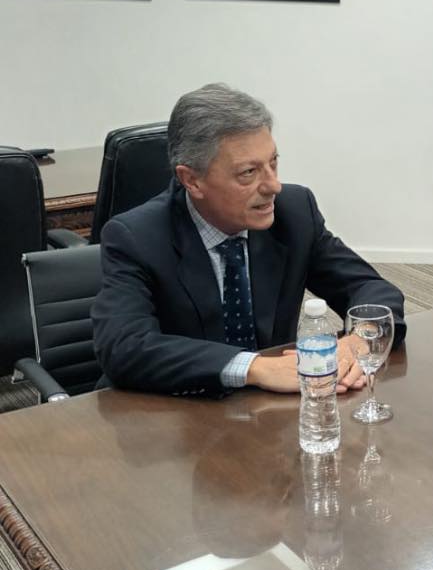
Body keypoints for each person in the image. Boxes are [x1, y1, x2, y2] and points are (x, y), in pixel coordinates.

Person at [92, 83, 406, 397]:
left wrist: (359, 338)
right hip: (171, 409)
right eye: (249, 172)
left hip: (268, 408)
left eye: (273, 163)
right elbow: (124, 347)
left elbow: (370, 288)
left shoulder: (294, 213)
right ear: (192, 180)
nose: (273, 186)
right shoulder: (136, 237)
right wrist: (254, 368)